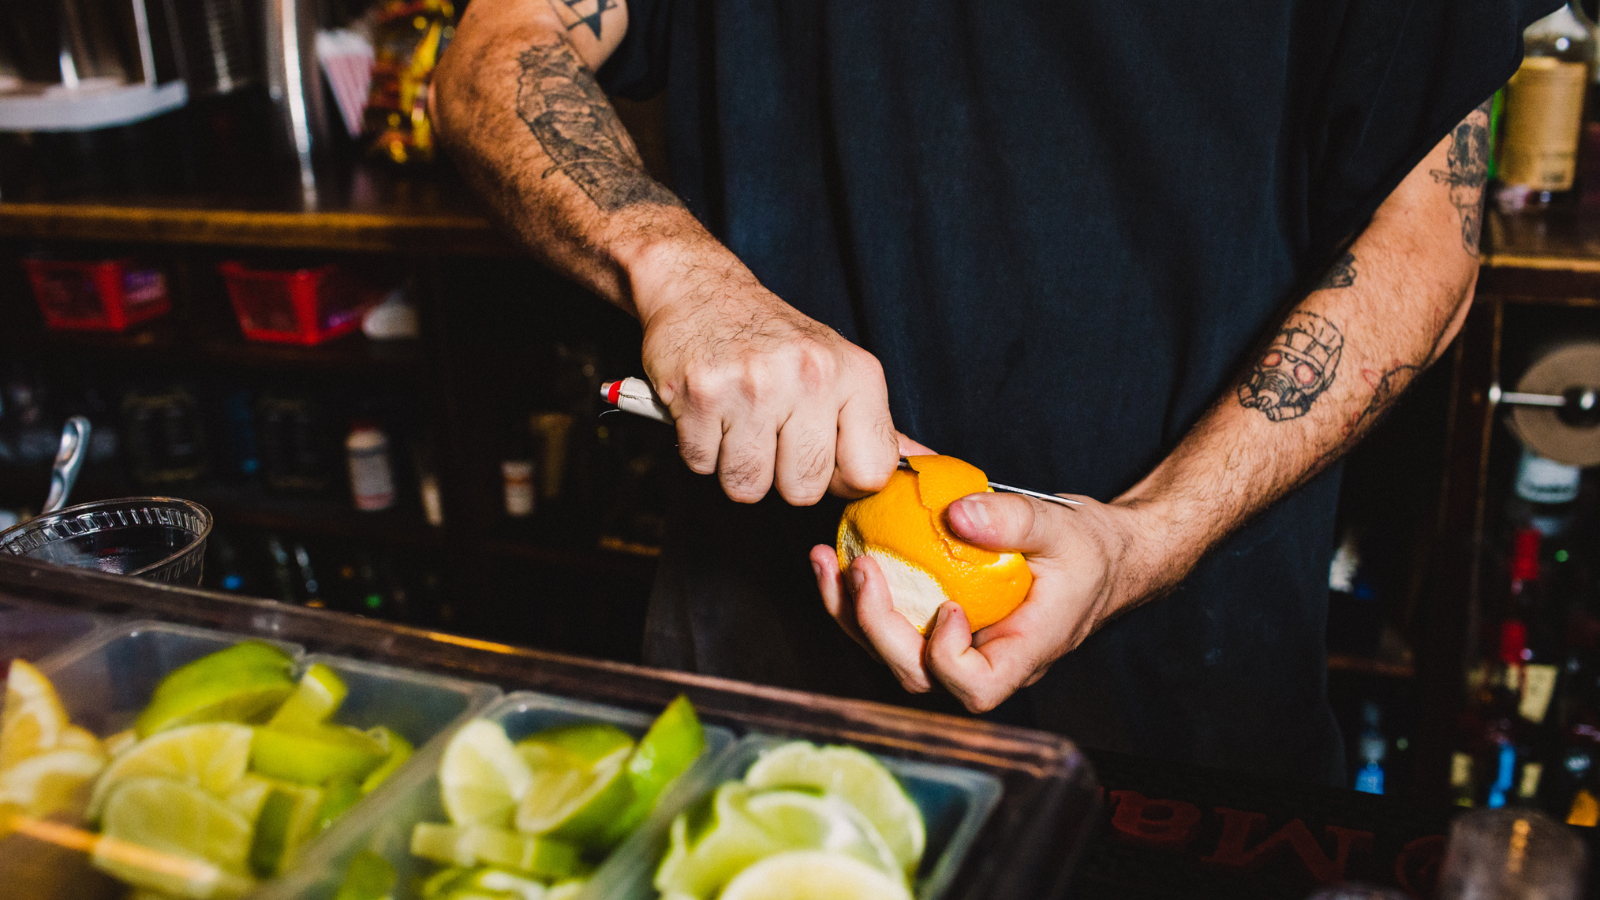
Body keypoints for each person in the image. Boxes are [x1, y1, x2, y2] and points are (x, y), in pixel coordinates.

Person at [434, 0, 1559, 783]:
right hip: (761, 683)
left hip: (1186, 699)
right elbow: (499, 45)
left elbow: (1428, 236)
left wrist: (1147, 539)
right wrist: (683, 276)